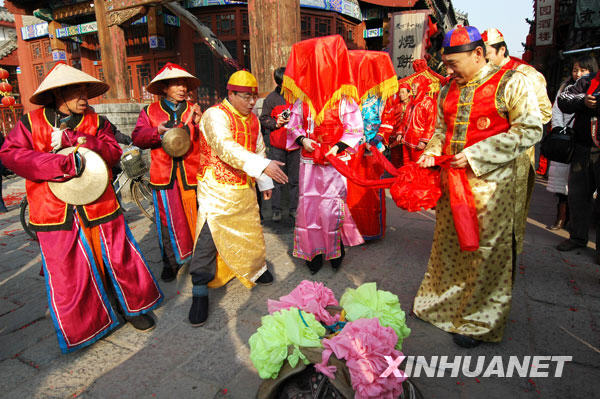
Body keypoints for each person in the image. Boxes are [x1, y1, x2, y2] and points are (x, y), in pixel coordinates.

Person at [0, 63, 163, 353]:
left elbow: (114, 153)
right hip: (54, 212)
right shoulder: (31, 123)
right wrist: (58, 163)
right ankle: (87, 325)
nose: (84, 95)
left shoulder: (95, 122)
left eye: (85, 89)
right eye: (77, 90)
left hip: (99, 205)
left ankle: (131, 308)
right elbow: (10, 155)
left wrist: (83, 141)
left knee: (117, 259)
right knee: (69, 274)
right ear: (58, 94)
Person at [413, 26, 543, 348]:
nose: (448, 69)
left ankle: (477, 322)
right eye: (446, 63)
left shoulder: (511, 83)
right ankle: (443, 305)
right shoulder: (447, 90)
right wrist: (432, 150)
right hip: (453, 185)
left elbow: (529, 129)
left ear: (479, 54)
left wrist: (473, 155)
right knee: (449, 247)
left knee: (486, 254)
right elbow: (442, 131)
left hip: (492, 190)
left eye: (454, 63)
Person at [188, 70, 288, 326]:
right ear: (230, 94)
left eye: (253, 97)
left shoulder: (253, 119)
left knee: (251, 230)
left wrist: (264, 182)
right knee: (209, 237)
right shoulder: (215, 115)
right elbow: (225, 147)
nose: (251, 102)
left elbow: (258, 148)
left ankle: (256, 268)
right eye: (245, 97)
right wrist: (263, 166)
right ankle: (199, 290)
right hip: (217, 188)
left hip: (244, 185)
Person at [284, 35, 364, 274]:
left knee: (331, 208)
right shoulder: (303, 101)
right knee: (309, 207)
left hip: (334, 164)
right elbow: (293, 125)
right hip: (309, 164)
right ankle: (313, 252)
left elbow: (355, 129)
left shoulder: (344, 100)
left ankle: (335, 248)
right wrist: (302, 139)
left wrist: (337, 147)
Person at [483, 28, 552, 254]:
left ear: (502, 50)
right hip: (483, 152)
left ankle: (507, 255)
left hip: (515, 153)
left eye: (488, 55)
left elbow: (544, 113)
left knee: (510, 209)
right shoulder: (481, 74)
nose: (483, 60)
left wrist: (511, 125)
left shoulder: (526, 74)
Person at [131, 63, 203, 282]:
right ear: (164, 88)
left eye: (184, 84)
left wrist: (200, 124)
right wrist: (156, 132)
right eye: (176, 84)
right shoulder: (149, 112)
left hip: (191, 173)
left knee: (198, 218)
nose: (182, 88)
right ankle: (170, 263)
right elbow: (138, 138)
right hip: (164, 175)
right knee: (167, 221)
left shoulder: (195, 108)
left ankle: (201, 260)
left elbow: (207, 139)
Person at [347, 49, 398, 240]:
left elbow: (388, 121)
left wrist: (378, 140)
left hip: (372, 150)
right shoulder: (347, 94)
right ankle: (350, 231)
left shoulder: (384, 95)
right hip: (350, 150)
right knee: (349, 191)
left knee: (371, 191)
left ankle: (370, 231)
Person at [556, 55, 600, 263]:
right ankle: (577, 237)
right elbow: (564, 99)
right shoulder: (587, 81)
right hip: (583, 146)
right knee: (578, 195)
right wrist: (584, 101)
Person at [547, 56, 594, 230]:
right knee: (563, 185)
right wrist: (561, 131)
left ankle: (575, 222)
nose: (578, 74)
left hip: (586, 141)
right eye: (575, 70)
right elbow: (557, 110)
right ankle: (561, 217)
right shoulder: (566, 88)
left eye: (583, 70)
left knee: (581, 187)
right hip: (567, 140)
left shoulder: (592, 86)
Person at [259, 67, 299, 222]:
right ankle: (276, 210)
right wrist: (276, 123)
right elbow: (263, 119)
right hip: (277, 144)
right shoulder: (271, 99)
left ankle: (294, 209)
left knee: (295, 179)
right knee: (278, 178)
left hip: (295, 144)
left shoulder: (297, 97)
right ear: (279, 83)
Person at [401, 75, 436, 163]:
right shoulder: (412, 103)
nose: (412, 89)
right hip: (407, 140)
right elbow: (405, 120)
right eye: (412, 86)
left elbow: (431, 124)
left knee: (418, 168)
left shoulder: (428, 102)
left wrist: (424, 141)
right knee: (407, 166)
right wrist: (402, 134)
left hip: (418, 142)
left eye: (415, 86)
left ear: (421, 87)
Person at [379, 82, 411, 168]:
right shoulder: (395, 107)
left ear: (409, 93)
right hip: (395, 138)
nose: (400, 95)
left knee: (407, 162)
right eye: (399, 92)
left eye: (403, 92)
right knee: (396, 162)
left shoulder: (413, 105)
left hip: (407, 138)